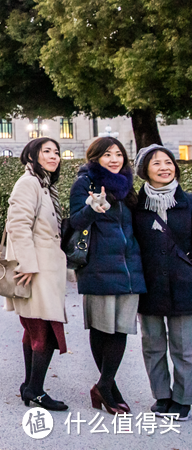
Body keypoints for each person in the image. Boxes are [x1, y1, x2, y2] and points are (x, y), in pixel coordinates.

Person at [69, 136, 145, 415]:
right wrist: (92, 208)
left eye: (118, 154)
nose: (114, 159)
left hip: (129, 267)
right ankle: (108, 388)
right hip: (98, 266)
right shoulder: (85, 183)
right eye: (107, 154)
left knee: (121, 328)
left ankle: (105, 384)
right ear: (95, 157)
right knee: (102, 328)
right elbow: (75, 221)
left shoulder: (127, 186)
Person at [4, 137, 69, 411]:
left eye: (56, 152)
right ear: (32, 156)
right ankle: (35, 390)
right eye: (46, 152)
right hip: (35, 269)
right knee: (46, 331)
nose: (53, 156)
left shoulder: (44, 185)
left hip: (45, 268)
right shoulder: (28, 183)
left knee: (35, 329)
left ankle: (30, 386)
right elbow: (17, 225)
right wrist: (27, 264)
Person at [132, 145, 192, 421]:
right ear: (145, 170)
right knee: (153, 346)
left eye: (168, 162)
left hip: (185, 285)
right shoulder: (136, 207)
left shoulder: (189, 202)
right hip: (149, 285)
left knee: (184, 348)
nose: (164, 167)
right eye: (156, 164)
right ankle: (162, 396)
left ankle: (183, 399)